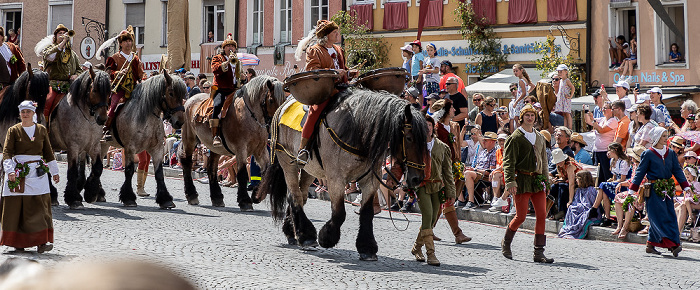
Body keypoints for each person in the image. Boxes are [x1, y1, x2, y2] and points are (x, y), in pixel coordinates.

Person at [295, 20, 357, 165]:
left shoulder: (338, 49)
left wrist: (350, 73)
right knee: (314, 112)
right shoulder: (314, 50)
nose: (338, 34)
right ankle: (303, 149)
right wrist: (334, 72)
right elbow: (313, 71)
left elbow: (344, 70)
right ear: (326, 35)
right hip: (324, 90)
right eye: (334, 32)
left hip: (342, 88)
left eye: (337, 32)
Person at [1, 101, 59, 253]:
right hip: (17, 171)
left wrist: (55, 171)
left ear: (34, 113)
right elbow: (7, 152)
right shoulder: (13, 130)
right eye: (23, 112)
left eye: (28, 111)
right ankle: (18, 242)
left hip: (37, 172)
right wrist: (10, 171)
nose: (25, 114)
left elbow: (48, 152)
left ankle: (41, 242)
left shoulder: (41, 130)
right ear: (19, 114)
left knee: (39, 207)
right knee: (17, 208)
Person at [501, 104, 553, 263]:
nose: (530, 118)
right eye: (527, 115)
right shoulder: (515, 137)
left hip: (537, 181)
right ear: (521, 117)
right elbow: (508, 162)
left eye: (532, 115)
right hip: (522, 181)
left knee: (542, 215)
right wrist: (510, 182)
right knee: (521, 216)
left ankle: (538, 252)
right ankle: (506, 242)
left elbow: (544, 160)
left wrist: (546, 180)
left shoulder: (539, 137)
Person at [629, 127, 691, 256]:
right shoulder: (648, 154)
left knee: (670, 216)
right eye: (663, 136)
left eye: (666, 135)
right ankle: (673, 245)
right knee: (658, 218)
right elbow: (640, 173)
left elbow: (677, 171)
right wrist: (632, 190)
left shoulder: (671, 153)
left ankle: (651, 244)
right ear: (656, 137)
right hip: (653, 190)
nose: (666, 138)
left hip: (667, 189)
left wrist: (686, 186)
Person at [411, 115, 455, 266]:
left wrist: (451, 192)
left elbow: (447, 172)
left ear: (433, 128)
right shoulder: (415, 145)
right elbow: (409, 167)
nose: (427, 128)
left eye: (429, 125)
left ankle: (417, 248)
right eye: (424, 125)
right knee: (428, 215)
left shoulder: (443, 147)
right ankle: (431, 254)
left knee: (431, 220)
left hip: (437, 186)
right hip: (422, 185)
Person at [429, 100, 471, 244]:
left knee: (445, 200)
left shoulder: (454, 126)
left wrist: (458, 163)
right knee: (446, 200)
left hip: (452, 167)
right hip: (439, 169)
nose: (454, 110)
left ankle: (428, 230)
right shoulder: (435, 128)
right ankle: (457, 234)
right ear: (445, 111)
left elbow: (457, 145)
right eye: (452, 107)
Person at [102, 29, 143, 141]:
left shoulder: (135, 58)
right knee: (114, 106)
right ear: (120, 43)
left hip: (134, 89)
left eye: (130, 41)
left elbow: (141, 74)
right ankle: (106, 129)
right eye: (125, 41)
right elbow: (108, 73)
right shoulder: (114, 58)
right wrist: (119, 73)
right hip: (119, 89)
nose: (128, 43)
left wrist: (143, 79)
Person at [40, 24, 83, 120]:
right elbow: (50, 57)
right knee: (48, 101)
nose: (63, 35)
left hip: (70, 85)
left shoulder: (72, 54)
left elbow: (79, 69)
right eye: (60, 33)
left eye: (65, 33)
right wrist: (63, 42)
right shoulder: (49, 49)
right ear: (55, 37)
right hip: (54, 84)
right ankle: (44, 125)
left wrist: (76, 75)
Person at [210, 34, 242, 148]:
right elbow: (215, 70)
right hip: (221, 89)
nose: (230, 48)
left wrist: (242, 77)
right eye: (228, 46)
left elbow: (238, 76)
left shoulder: (237, 61)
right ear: (224, 48)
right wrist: (228, 62)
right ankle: (215, 135)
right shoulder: (217, 58)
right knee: (217, 106)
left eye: (232, 46)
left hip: (234, 89)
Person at [610, 145, 645, 239]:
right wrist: (621, 183)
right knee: (618, 197)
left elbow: (641, 183)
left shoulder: (644, 168)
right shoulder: (634, 166)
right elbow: (632, 180)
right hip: (633, 191)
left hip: (641, 194)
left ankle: (625, 228)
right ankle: (620, 225)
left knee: (630, 200)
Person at [590, 142, 631, 223]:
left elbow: (623, 179)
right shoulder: (612, 161)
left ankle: (594, 208)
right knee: (604, 192)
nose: (607, 153)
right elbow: (614, 177)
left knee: (603, 185)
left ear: (615, 150)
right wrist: (611, 181)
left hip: (624, 184)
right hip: (617, 183)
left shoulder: (624, 162)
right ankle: (607, 217)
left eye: (609, 150)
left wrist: (612, 182)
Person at [584, 101, 618, 185]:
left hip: (605, 152)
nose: (603, 110)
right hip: (597, 151)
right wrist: (586, 113)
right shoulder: (602, 119)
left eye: (605, 108)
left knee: (606, 174)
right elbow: (588, 121)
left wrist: (593, 122)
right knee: (598, 175)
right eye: (603, 108)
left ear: (611, 110)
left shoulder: (613, 121)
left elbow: (601, 130)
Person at [462, 132, 497, 209]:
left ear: (492, 142)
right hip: (476, 172)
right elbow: (477, 165)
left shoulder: (494, 153)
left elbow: (490, 171)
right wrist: (471, 168)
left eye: (485, 141)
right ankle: (461, 199)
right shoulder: (483, 152)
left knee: (468, 173)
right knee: (460, 171)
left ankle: (471, 201)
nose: (483, 142)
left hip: (485, 176)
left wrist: (474, 169)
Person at [557, 171, 597, 239]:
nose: (576, 181)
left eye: (577, 179)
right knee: (571, 208)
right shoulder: (579, 190)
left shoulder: (591, 190)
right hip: (579, 207)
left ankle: (576, 230)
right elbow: (576, 200)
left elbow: (590, 203)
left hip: (587, 209)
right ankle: (571, 228)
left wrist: (579, 206)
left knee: (579, 209)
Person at [550, 148, 583, 220]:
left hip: (579, 183)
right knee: (553, 187)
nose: (559, 163)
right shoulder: (559, 166)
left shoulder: (570, 166)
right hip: (568, 183)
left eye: (560, 160)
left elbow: (571, 184)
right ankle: (552, 211)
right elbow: (564, 178)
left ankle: (563, 212)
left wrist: (570, 200)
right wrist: (557, 180)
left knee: (563, 187)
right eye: (558, 161)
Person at [675, 166, 700, 236]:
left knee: (684, 203)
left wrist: (693, 193)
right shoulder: (687, 184)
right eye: (685, 174)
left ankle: (690, 216)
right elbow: (685, 194)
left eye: (688, 174)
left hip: (694, 200)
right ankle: (674, 228)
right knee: (676, 204)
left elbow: (697, 194)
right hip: (688, 200)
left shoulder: (696, 184)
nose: (687, 176)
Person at [553, 64, 575, 129]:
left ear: (566, 72)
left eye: (561, 71)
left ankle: (570, 128)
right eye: (558, 72)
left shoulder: (567, 80)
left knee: (567, 113)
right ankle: (565, 127)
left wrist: (570, 96)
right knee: (564, 114)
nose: (559, 73)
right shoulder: (562, 80)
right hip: (562, 99)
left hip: (566, 99)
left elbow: (573, 88)